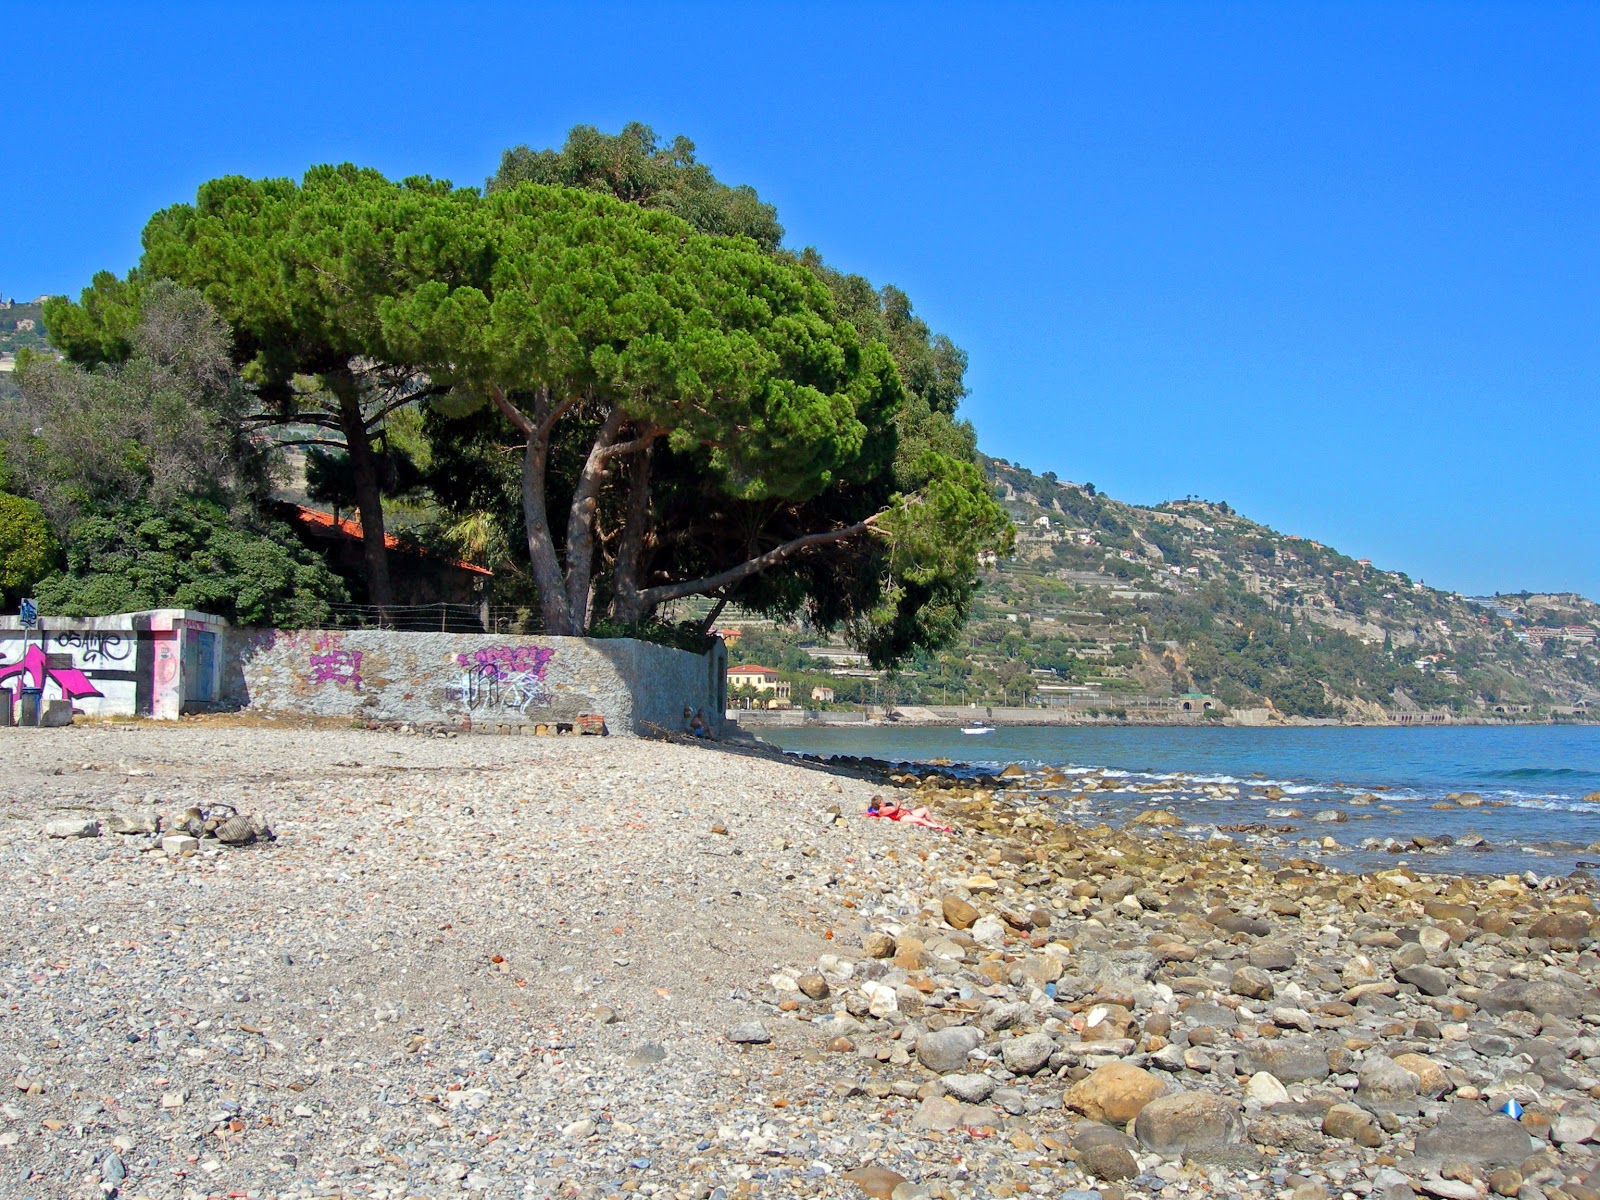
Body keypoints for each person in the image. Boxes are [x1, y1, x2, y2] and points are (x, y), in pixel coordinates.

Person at [865, 796, 952, 831]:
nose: (883, 802)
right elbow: (894, 810)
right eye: (881, 801)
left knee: (925, 810)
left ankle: (935, 824)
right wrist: (898, 805)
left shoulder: (884, 807)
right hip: (902, 817)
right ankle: (940, 827)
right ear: (878, 804)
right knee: (921, 820)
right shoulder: (882, 810)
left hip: (907, 813)